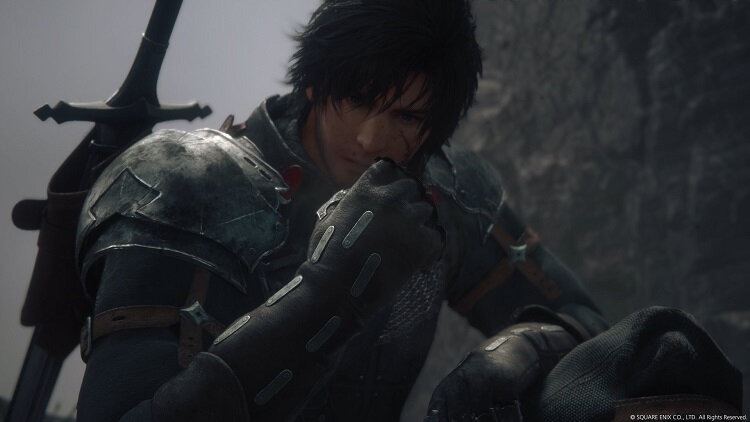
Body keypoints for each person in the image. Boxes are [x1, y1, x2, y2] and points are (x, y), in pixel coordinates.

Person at [74, 0, 611, 420]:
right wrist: (332, 291)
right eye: (356, 99)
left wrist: (515, 355)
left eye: (407, 116)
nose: (372, 139)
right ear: (314, 82)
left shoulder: (446, 193)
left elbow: (586, 325)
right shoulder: (190, 184)